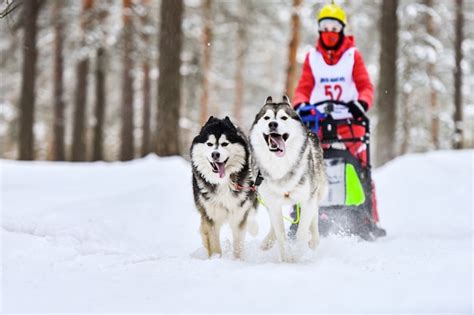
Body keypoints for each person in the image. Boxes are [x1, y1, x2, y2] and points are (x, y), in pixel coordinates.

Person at [292, 2, 385, 237]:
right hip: (318, 123)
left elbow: (365, 86)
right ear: (320, 30)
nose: (330, 31)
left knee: (361, 166)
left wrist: (360, 104)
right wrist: (301, 105)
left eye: (335, 26)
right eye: (325, 26)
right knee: (305, 165)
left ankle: (366, 217)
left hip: (349, 122)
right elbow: (303, 89)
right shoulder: (312, 58)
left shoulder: (353, 56)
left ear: (342, 29)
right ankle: (302, 215)